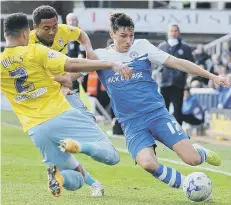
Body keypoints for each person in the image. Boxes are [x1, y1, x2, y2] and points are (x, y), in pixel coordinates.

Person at [62, 13, 229, 198]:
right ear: (112, 34)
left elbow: (178, 63)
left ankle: (200, 152)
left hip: (157, 114)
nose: (128, 40)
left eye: (131, 35)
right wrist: (62, 85)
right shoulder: (101, 56)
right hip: (132, 123)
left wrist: (212, 76)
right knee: (148, 163)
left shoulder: (142, 47)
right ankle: (187, 185)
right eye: (123, 36)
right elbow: (71, 75)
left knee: (192, 159)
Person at [1, 13, 132, 198]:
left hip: (36, 130)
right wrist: (110, 63)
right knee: (112, 156)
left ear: (6, 34)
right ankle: (81, 145)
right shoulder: (35, 50)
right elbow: (71, 64)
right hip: (60, 114)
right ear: (25, 33)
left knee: (75, 179)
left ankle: (61, 178)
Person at [30, 5, 104, 196]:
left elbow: (80, 34)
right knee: (58, 141)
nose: (53, 32)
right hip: (44, 95)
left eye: (55, 26)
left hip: (64, 87)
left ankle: (64, 165)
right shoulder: (27, 43)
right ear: (35, 27)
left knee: (88, 121)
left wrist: (89, 49)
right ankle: (85, 179)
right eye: (47, 28)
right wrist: (61, 81)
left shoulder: (63, 31)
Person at [158, 24, 194, 125]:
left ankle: (179, 135)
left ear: (178, 32)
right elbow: (155, 63)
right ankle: (163, 132)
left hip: (178, 83)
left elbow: (191, 64)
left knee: (178, 110)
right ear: (168, 32)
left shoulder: (185, 47)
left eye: (175, 31)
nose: (173, 33)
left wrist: (187, 78)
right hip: (164, 83)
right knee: (163, 110)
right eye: (171, 31)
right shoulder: (161, 46)